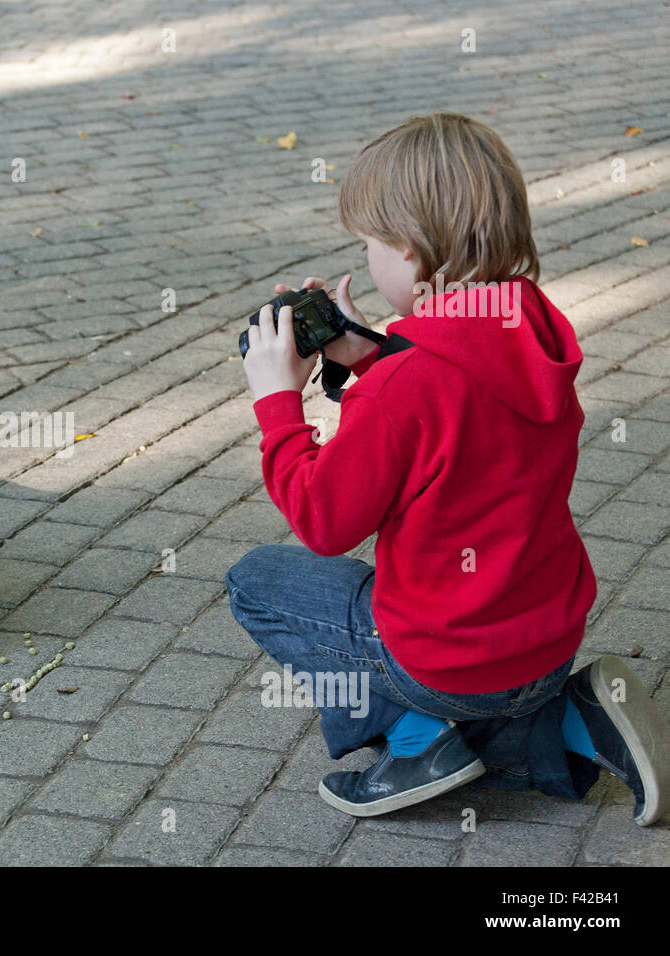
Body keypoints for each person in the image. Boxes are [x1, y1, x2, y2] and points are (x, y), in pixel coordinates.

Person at [229, 112, 669, 824]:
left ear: (407, 248)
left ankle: (420, 740)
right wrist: (370, 358)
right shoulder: (531, 320)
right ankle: (571, 720)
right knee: (499, 676)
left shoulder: (407, 388)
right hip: (545, 640)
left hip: (448, 663)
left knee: (256, 581)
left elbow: (324, 520)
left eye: (369, 243)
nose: (367, 257)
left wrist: (278, 402)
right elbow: (461, 423)